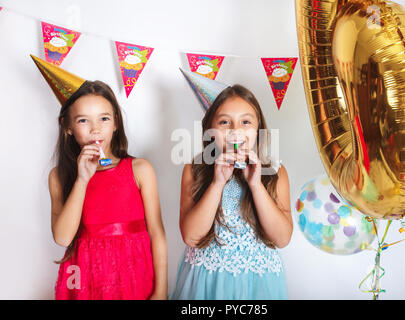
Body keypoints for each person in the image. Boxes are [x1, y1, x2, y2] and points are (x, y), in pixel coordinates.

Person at [31, 55, 167, 299]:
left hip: (134, 277)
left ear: (116, 122)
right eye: (83, 120)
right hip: (85, 281)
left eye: (104, 118)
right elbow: (63, 238)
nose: (96, 129)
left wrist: (161, 291)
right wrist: (82, 179)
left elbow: (157, 233)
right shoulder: (60, 176)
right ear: (68, 127)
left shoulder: (140, 169)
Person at [171, 84, 292, 299]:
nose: (235, 130)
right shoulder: (195, 170)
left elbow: (282, 239)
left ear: (259, 129)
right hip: (206, 281)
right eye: (224, 122)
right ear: (210, 129)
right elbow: (191, 237)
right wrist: (217, 183)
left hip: (258, 283)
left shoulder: (275, 173)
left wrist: (255, 185)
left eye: (246, 122)